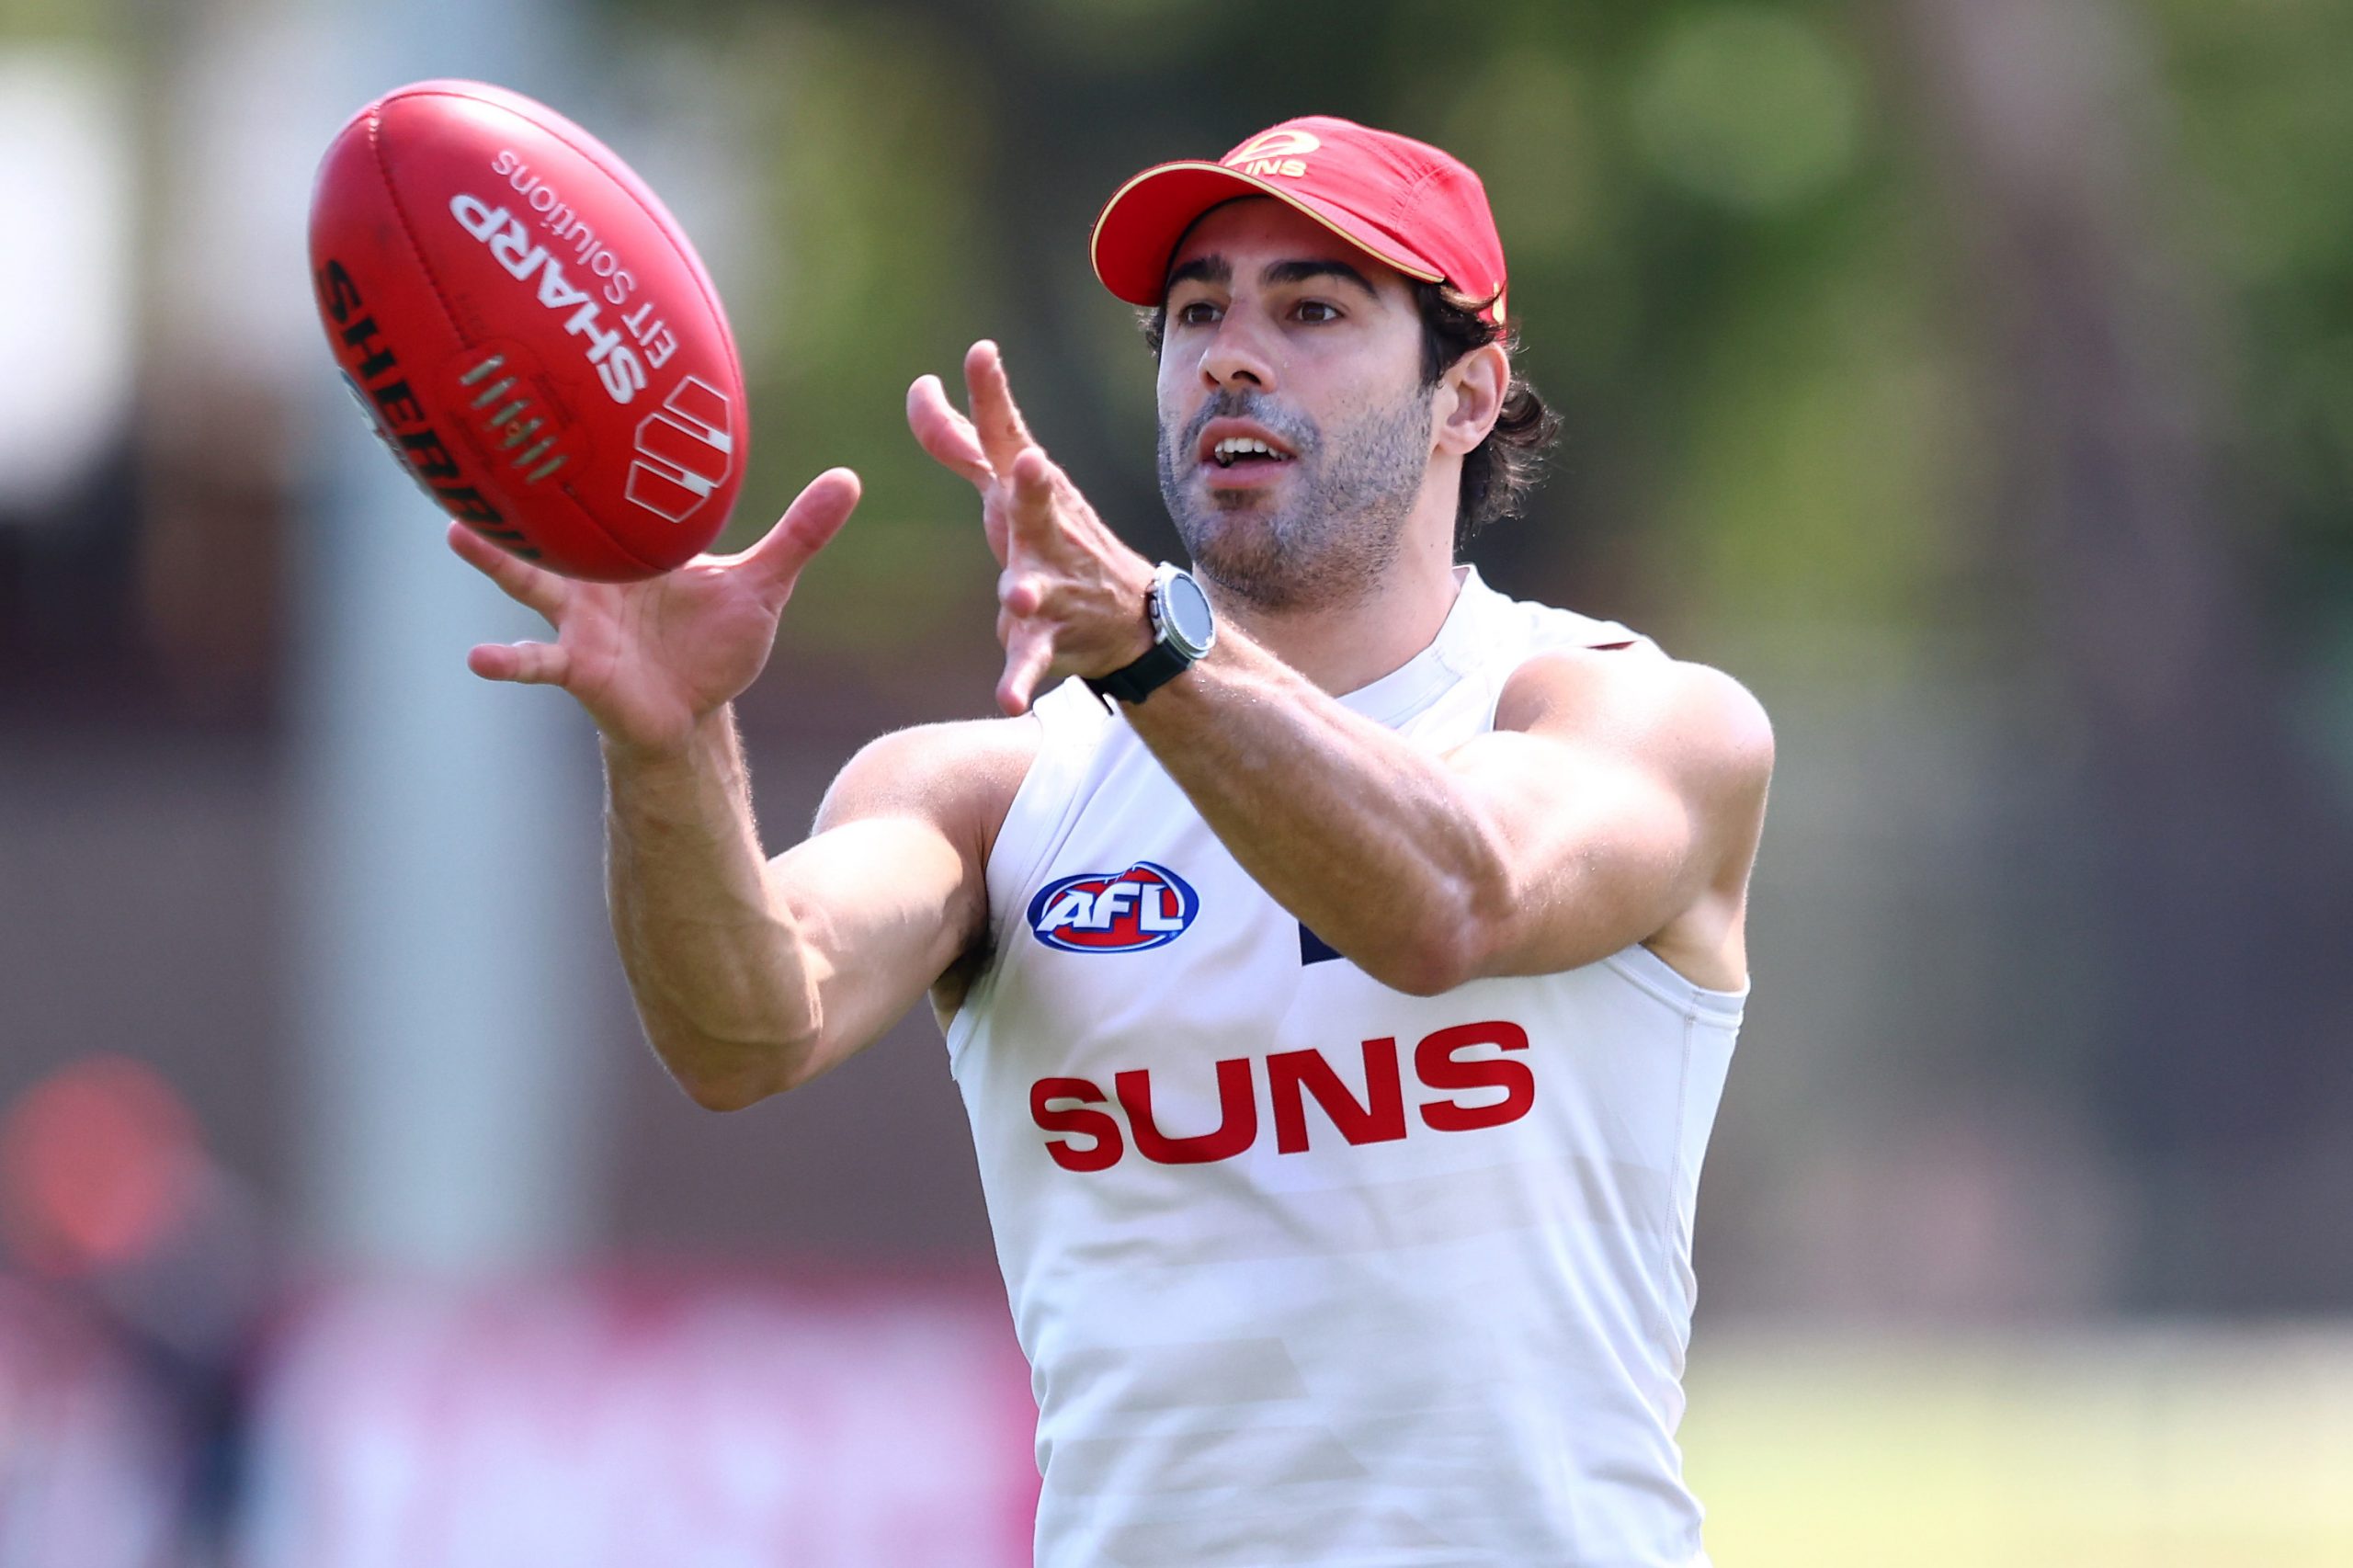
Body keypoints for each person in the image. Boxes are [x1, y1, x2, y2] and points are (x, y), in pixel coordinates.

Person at [449, 114, 1772, 1568]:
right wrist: (668, 741)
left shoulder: (1636, 720)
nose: (1231, 355)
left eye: (1313, 309)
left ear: (1469, 396)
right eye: (1196, 311)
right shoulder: (993, 795)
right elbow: (744, 1031)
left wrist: (1153, 644)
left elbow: (1455, 901)